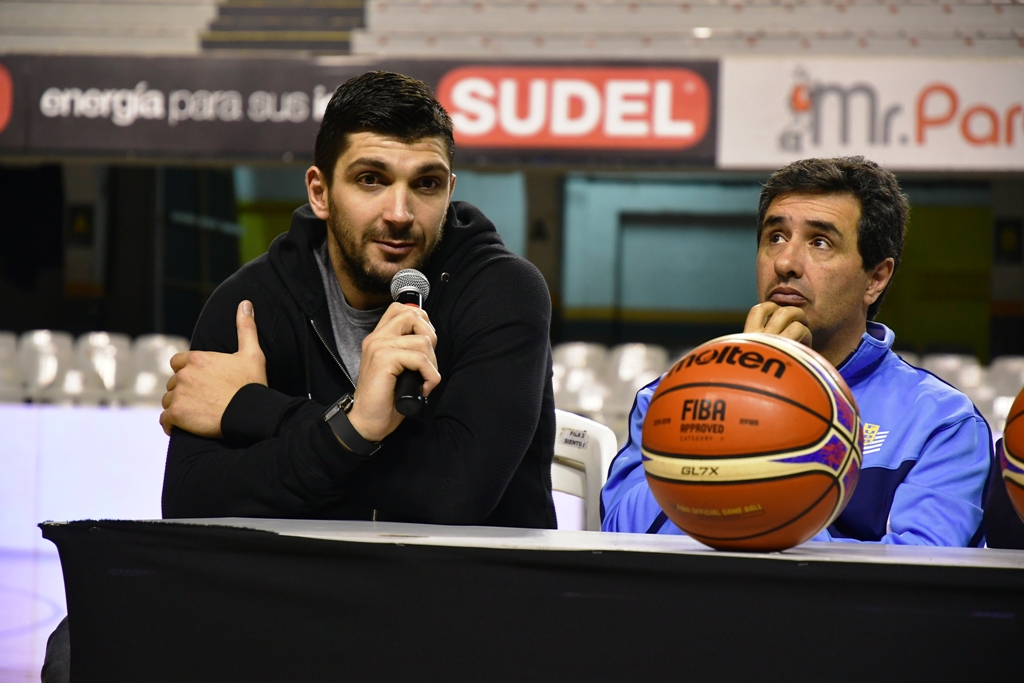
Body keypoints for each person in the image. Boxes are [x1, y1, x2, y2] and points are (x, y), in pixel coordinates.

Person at [158, 70, 557, 528]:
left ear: (448, 191)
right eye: (371, 179)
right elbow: (191, 505)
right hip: (304, 590)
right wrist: (353, 436)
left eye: (425, 184)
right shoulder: (250, 304)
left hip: (468, 589)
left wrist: (258, 410)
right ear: (320, 192)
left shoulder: (503, 292)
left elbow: (451, 497)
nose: (400, 214)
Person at [601, 156, 993, 546]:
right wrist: (738, 391)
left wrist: (756, 502)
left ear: (875, 278)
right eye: (775, 237)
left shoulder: (942, 422)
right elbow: (620, 536)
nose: (786, 262)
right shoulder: (669, 398)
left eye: (820, 242)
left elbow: (922, 578)